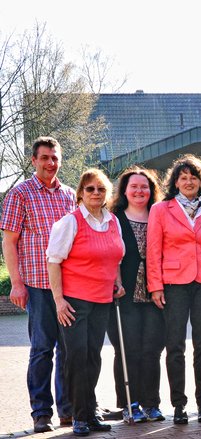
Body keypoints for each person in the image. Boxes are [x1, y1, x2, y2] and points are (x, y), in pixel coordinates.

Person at [0, 136, 75, 433]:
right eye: (44, 157)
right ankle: (41, 413)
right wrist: (16, 284)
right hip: (38, 285)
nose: (50, 163)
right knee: (43, 349)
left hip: (69, 285)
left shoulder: (70, 194)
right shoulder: (20, 194)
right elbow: (9, 242)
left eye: (54, 157)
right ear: (34, 160)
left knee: (69, 350)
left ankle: (68, 410)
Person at [46, 168, 125, 436]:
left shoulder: (112, 221)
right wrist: (58, 300)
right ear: (80, 193)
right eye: (90, 189)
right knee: (77, 357)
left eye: (101, 189)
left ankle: (90, 413)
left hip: (103, 300)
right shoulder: (70, 222)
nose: (95, 193)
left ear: (107, 194)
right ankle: (78, 415)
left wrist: (118, 281)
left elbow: (116, 256)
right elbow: (53, 261)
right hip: (74, 302)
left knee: (93, 357)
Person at [147, 155, 201, 424]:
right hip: (173, 284)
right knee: (175, 346)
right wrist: (155, 286)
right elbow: (154, 250)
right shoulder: (161, 210)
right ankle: (179, 405)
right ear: (175, 181)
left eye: (194, 177)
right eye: (183, 177)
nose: (189, 182)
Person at [106, 167, 165, 423]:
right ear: (125, 190)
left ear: (152, 190)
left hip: (154, 293)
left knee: (151, 350)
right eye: (134, 186)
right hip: (123, 294)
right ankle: (130, 404)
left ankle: (152, 403)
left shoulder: (159, 215)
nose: (140, 191)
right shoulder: (113, 218)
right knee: (127, 350)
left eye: (145, 186)